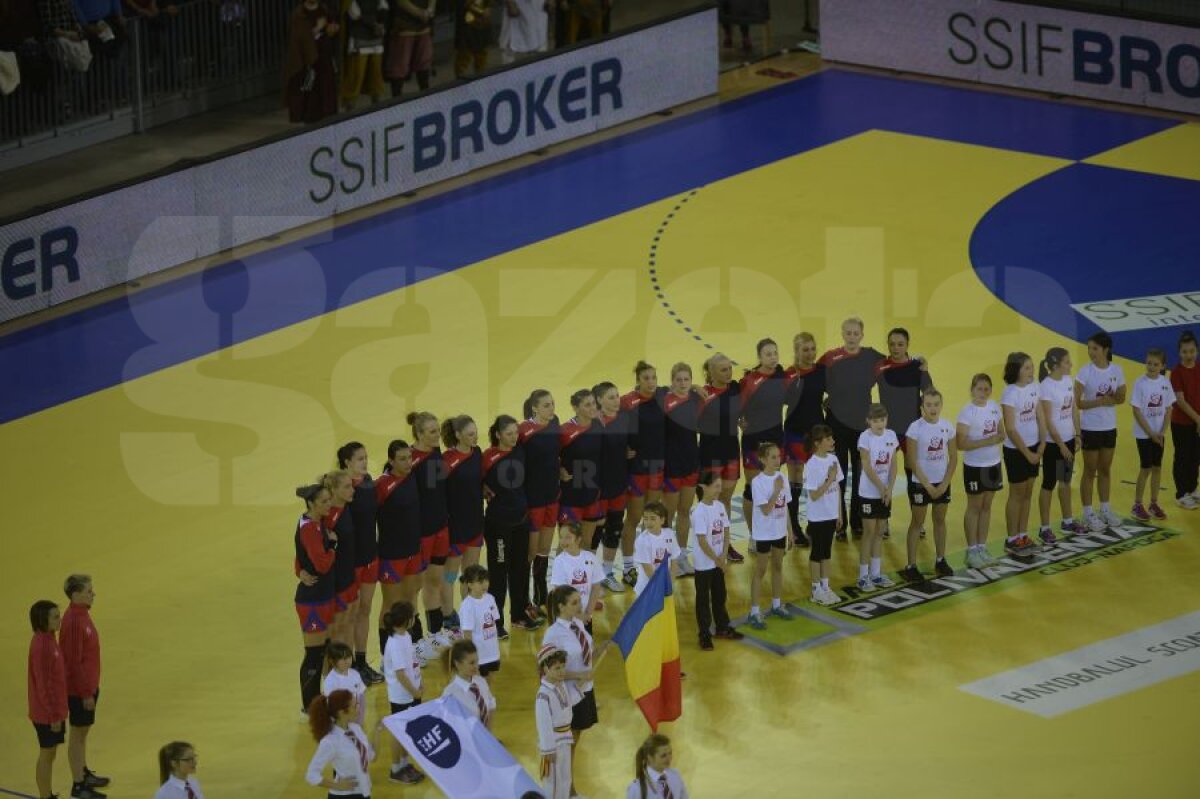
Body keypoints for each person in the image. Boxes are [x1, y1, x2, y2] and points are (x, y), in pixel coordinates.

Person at [820, 318, 889, 539]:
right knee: (837, 475)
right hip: (836, 426)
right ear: (842, 334)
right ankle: (839, 523)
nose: (851, 337)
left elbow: (894, 362)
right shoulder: (830, 357)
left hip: (861, 427)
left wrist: (917, 361)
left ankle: (859, 521)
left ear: (862, 335)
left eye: (855, 333)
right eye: (848, 333)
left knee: (862, 475)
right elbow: (812, 377)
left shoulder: (871, 356)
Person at [875, 327, 934, 539]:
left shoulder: (917, 367)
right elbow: (860, 386)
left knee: (913, 477)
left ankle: (918, 522)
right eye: (892, 344)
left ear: (907, 345)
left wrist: (924, 368)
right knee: (884, 476)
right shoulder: (880, 367)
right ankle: (884, 520)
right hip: (887, 432)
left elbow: (930, 394)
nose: (896, 348)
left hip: (911, 432)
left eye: (900, 344)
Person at [374, 440, 428, 662]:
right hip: (392, 554)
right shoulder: (381, 485)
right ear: (391, 461)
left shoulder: (412, 476)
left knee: (411, 597)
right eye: (402, 459)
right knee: (391, 605)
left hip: (413, 550)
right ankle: (387, 655)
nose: (408, 463)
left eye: (409, 458)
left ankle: (411, 646)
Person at [482, 415, 535, 634]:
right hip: (498, 524)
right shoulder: (487, 457)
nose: (514, 437)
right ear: (498, 434)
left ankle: (519, 615)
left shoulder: (520, 450)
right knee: (498, 573)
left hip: (521, 520)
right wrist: (482, 487)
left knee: (520, 569)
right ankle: (496, 622)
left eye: (515, 433)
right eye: (508, 434)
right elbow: (471, 481)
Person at [542, 586, 607, 761]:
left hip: (584, 688)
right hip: (568, 693)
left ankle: (568, 772)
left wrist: (599, 650)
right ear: (561, 607)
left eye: (580, 601)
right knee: (568, 738)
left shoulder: (578, 624)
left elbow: (585, 655)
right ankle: (565, 773)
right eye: (574, 602)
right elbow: (549, 672)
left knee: (576, 734)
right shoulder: (553, 634)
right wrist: (579, 675)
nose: (580, 606)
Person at [338, 442, 385, 685]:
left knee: (365, 609)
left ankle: (361, 661)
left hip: (370, 557)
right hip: (351, 563)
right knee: (349, 615)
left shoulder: (368, 483)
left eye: (365, 457)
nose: (365, 462)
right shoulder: (343, 490)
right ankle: (345, 668)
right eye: (359, 459)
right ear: (346, 463)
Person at [59, 575, 109, 799]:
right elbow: (72, 662)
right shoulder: (73, 621)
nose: (93, 594)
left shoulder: (82, 614)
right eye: (89, 591)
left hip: (88, 684)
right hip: (80, 690)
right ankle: (78, 785)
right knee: (77, 734)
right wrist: (85, 693)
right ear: (76, 594)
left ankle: (83, 772)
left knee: (83, 732)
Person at [621, 361, 669, 587]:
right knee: (633, 518)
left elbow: (685, 391)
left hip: (657, 466)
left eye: (653, 377)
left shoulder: (662, 395)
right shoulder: (627, 402)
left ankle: (646, 562)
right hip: (637, 468)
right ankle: (628, 566)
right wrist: (622, 448)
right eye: (646, 378)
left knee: (651, 517)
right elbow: (610, 424)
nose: (651, 382)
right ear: (638, 380)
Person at [408, 411, 453, 649]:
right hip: (421, 533)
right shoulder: (409, 459)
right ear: (419, 433)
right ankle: (415, 640)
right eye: (432, 432)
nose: (438, 435)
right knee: (414, 587)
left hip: (440, 528)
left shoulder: (435, 451)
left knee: (435, 580)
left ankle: (435, 633)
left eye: (437, 430)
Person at [902, 390, 957, 580]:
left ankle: (941, 559)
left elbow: (953, 457)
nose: (933, 408)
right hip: (920, 483)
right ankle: (911, 566)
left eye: (936, 404)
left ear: (941, 405)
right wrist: (928, 486)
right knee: (917, 523)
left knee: (940, 520)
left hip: (941, 482)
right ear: (922, 407)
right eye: (928, 405)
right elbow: (911, 460)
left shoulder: (947, 427)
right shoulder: (915, 428)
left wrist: (944, 484)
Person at [1075, 332, 1126, 531]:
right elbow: (1077, 403)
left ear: (1106, 350)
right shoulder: (1084, 372)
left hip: (1109, 427)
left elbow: (1121, 397)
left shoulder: (1117, 370)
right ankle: (1088, 513)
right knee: (1089, 471)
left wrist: (1110, 399)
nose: (1091, 352)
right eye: (1089, 348)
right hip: (1090, 428)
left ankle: (1105, 509)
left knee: (1105, 470)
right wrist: (1099, 402)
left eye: (1095, 348)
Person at [696, 353, 745, 562]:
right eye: (723, 370)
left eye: (730, 368)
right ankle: (707, 547)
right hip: (710, 455)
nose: (728, 373)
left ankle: (725, 544)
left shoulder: (735, 388)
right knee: (709, 501)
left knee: (725, 500)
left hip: (731, 451)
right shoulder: (703, 395)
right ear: (711, 372)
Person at [294, 483, 338, 714]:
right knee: (314, 654)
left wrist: (298, 569)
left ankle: (323, 698)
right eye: (324, 501)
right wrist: (333, 546)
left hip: (322, 595)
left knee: (325, 649)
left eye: (329, 499)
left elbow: (300, 555)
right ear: (311, 504)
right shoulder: (310, 529)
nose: (329, 504)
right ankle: (309, 706)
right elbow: (321, 565)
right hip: (313, 600)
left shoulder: (314, 522)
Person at [956, 374, 1006, 568]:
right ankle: (971, 551)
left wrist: (996, 438)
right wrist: (987, 441)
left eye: (986, 389)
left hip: (993, 464)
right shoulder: (966, 412)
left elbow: (1002, 433)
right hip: (975, 466)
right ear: (972, 390)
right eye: (979, 389)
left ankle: (982, 547)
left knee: (986, 507)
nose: (983, 393)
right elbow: (961, 443)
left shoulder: (994, 407)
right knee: (974, 507)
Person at [520, 389, 561, 620]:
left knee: (544, 550)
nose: (551, 408)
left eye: (552, 404)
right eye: (546, 405)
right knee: (529, 552)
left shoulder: (554, 423)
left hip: (552, 497)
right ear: (534, 408)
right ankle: (524, 600)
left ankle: (540, 595)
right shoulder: (524, 431)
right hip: (533, 500)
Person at [689, 473, 743, 648]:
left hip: (718, 561)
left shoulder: (719, 506)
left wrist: (724, 554)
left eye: (720, 486)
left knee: (720, 595)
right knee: (703, 599)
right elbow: (702, 541)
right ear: (704, 487)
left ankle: (722, 627)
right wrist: (718, 560)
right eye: (716, 486)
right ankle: (704, 633)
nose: (720, 490)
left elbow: (726, 531)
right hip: (704, 564)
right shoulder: (698, 512)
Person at [441, 415, 484, 631]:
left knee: (470, 574)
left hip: (475, 522)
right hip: (456, 527)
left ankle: (469, 612)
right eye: (470, 434)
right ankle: (448, 615)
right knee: (449, 575)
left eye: (475, 433)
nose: (475, 437)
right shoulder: (446, 460)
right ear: (458, 435)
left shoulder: (477, 453)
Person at [1000, 352, 1045, 556]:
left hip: (1034, 448)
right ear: (1016, 370)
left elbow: (1040, 416)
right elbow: (1010, 429)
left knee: (1028, 493)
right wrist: (1028, 454)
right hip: (1016, 451)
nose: (1031, 370)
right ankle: (1012, 539)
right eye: (1027, 367)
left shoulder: (1035, 387)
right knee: (1017, 494)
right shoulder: (1009, 393)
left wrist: (1042, 444)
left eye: (1032, 366)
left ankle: (1023, 535)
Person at [783, 333, 824, 547]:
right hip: (795, 432)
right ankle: (794, 527)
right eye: (805, 349)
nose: (810, 353)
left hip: (817, 433)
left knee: (817, 478)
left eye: (812, 348)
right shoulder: (790, 375)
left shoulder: (821, 371)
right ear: (796, 351)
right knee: (796, 478)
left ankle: (815, 524)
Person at [747, 441, 793, 628]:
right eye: (773, 457)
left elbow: (785, 506)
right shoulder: (757, 482)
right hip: (764, 534)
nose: (777, 460)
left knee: (778, 566)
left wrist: (790, 531)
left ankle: (776, 604)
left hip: (779, 531)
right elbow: (766, 510)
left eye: (778, 456)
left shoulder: (782, 477)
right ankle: (754, 611)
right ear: (763, 459)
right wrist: (776, 490)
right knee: (760, 570)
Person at [1037, 348, 1081, 543]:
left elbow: (1073, 409)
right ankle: (1044, 528)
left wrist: (1077, 434)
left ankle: (1067, 521)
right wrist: (1061, 445)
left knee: (1065, 481)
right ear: (1055, 365)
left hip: (1068, 439)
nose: (1070, 365)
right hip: (1052, 444)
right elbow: (1047, 420)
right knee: (1049, 483)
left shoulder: (1068, 381)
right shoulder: (1045, 387)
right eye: (1067, 362)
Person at [662, 364, 701, 575]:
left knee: (685, 511)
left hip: (690, 463)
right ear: (672, 381)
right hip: (671, 466)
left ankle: (682, 556)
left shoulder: (695, 398)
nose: (683, 383)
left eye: (686, 379)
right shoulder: (665, 401)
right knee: (667, 515)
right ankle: (668, 559)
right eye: (679, 380)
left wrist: (695, 387)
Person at [594, 381, 633, 592]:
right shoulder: (593, 423)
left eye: (617, 396)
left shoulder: (624, 418)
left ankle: (607, 573)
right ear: (599, 400)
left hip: (619, 484)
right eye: (610, 397)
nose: (616, 400)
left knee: (614, 530)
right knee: (595, 533)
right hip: (599, 488)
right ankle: (592, 578)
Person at [856, 404, 899, 590]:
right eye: (875, 421)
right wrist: (881, 487)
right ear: (868, 421)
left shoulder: (891, 435)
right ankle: (863, 576)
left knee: (880, 531)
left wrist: (889, 489)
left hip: (884, 493)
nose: (879, 424)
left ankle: (876, 574)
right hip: (869, 492)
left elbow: (893, 464)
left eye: (882, 420)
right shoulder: (865, 438)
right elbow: (866, 466)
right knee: (869, 532)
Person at [380, 601, 424, 784]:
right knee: (399, 733)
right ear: (407, 620)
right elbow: (400, 674)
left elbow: (411, 665)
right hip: (402, 696)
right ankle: (396, 768)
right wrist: (414, 691)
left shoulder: (405, 636)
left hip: (411, 693)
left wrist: (419, 684)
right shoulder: (395, 643)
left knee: (408, 732)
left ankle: (405, 764)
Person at [305, 689, 379, 797]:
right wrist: (337, 785)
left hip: (364, 791)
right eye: (354, 706)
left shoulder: (356, 729)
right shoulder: (330, 741)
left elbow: (372, 757)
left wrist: (377, 731)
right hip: (345, 795)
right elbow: (311, 775)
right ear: (342, 712)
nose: (359, 708)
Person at [1131, 348, 1176, 521]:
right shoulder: (1140, 383)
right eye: (1149, 363)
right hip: (1144, 435)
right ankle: (1137, 505)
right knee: (1146, 468)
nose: (1151, 367)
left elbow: (1169, 409)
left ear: (1163, 366)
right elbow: (1136, 410)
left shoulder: (1165, 383)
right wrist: (1151, 433)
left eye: (1155, 364)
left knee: (1157, 467)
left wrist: (1162, 432)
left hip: (1159, 434)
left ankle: (1153, 503)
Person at [28, 600, 67, 799]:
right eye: (55, 617)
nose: (60, 619)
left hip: (53, 710)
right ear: (43, 620)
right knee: (46, 753)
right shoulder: (42, 646)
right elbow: (43, 684)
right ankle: (44, 796)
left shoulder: (49, 638)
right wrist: (52, 715)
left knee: (50, 753)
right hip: (47, 714)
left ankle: (47, 793)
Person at [558, 390, 605, 550]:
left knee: (585, 543)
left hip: (592, 494)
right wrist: (559, 469)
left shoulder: (598, 425)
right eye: (587, 405)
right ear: (576, 408)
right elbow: (548, 457)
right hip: (571, 496)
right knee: (567, 544)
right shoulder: (565, 431)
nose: (593, 408)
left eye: (593, 403)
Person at [803, 426, 844, 604]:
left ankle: (825, 587)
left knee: (827, 552)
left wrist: (839, 513)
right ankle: (815, 589)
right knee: (817, 553)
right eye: (828, 439)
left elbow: (838, 488)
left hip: (831, 514)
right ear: (817, 443)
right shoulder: (811, 465)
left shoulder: (833, 459)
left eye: (832, 438)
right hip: (818, 516)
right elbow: (814, 495)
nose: (832, 441)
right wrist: (829, 479)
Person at [534, 645, 580, 799]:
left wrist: (583, 685)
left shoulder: (560, 685)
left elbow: (567, 704)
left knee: (566, 777)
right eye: (557, 668)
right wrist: (548, 750)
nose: (562, 671)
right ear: (545, 669)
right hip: (554, 744)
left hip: (565, 739)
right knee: (553, 782)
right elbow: (543, 725)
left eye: (563, 667)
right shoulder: (543, 695)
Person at [285, 0, 339, 123]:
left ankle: (328, 118)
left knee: (327, 89)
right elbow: (298, 38)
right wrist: (317, 28)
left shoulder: (324, 10)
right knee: (309, 91)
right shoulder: (299, 14)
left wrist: (332, 30)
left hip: (324, 59)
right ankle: (309, 121)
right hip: (307, 62)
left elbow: (332, 30)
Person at [323, 470, 359, 647]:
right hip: (336, 582)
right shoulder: (328, 517)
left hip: (349, 577)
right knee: (336, 629)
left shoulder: (346, 508)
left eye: (351, 486)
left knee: (349, 623)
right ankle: (334, 665)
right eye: (346, 487)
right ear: (333, 490)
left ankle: (349, 662)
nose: (352, 490)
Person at [549, 524, 604, 634]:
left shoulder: (591, 558)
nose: (563, 541)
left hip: (585, 616)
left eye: (568, 537)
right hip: (567, 618)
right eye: (561, 537)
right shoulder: (559, 561)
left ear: (578, 539)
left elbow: (596, 588)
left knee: (586, 643)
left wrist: (588, 613)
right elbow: (561, 595)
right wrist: (578, 616)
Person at [1170, 330, 1200, 509]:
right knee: (1183, 456)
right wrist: (1198, 419)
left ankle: (1193, 488)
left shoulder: (1199, 369)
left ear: (1197, 350)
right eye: (1185, 352)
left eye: (1192, 351)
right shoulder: (1176, 373)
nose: (1189, 355)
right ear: (1179, 353)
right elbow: (1180, 401)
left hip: (1197, 422)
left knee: (1196, 456)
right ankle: (1181, 494)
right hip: (1182, 423)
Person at [340, 0, 387, 111]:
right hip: (359, 38)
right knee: (356, 74)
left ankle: (376, 101)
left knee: (376, 72)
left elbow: (384, 8)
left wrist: (381, 24)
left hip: (376, 38)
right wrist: (374, 24)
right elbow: (355, 14)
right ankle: (350, 104)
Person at [458, 565, 503, 681]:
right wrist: (471, 657)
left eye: (486, 580)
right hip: (479, 656)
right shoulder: (467, 606)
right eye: (480, 582)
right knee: (477, 683)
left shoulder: (490, 599)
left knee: (489, 680)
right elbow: (467, 634)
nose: (485, 584)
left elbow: (494, 622)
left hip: (492, 652)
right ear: (470, 584)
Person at [442, 640, 496, 727]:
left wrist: (487, 731)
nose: (476, 666)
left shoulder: (480, 681)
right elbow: (448, 723)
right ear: (458, 664)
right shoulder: (450, 694)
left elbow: (491, 704)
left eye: (477, 661)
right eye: (471, 663)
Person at [385, 0, 434, 96]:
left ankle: (426, 95)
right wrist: (419, 13)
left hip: (423, 25)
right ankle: (397, 100)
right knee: (399, 66)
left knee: (424, 62)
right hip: (404, 25)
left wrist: (430, 9)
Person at [632, 502, 681, 597]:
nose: (648, 522)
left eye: (653, 518)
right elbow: (648, 570)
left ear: (662, 520)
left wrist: (670, 583)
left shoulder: (669, 534)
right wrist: (661, 587)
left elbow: (674, 562)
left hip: (665, 587)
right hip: (646, 590)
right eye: (645, 518)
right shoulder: (642, 541)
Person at [627, 734, 689, 799]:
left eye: (670, 753)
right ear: (649, 757)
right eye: (663, 755)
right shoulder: (636, 788)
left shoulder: (675, 775)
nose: (669, 758)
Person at [323, 642, 368, 728]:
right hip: (341, 717)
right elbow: (331, 704)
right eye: (342, 658)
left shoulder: (355, 674)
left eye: (348, 657)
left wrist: (359, 711)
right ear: (332, 661)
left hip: (355, 713)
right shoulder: (330, 681)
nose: (347, 661)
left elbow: (361, 694)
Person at [499, 0, 549, 64]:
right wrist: (509, 2)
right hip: (517, 7)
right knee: (509, 47)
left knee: (539, 42)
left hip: (537, 8)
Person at [454, 0, 492, 77]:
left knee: (481, 56)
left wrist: (487, 8)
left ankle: (481, 79)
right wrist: (482, 12)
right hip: (466, 25)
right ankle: (461, 80)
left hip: (482, 26)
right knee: (464, 57)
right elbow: (465, 4)